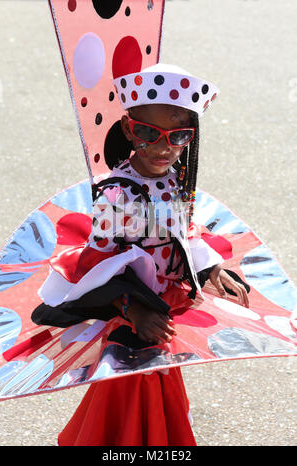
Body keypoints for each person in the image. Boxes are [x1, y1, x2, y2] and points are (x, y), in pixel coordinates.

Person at [32, 63, 249, 446]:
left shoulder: (175, 178)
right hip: (130, 306)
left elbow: (182, 232)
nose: (166, 148)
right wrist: (134, 309)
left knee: (159, 378)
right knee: (132, 382)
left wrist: (210, 266)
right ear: (130, 130)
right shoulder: (120, 196)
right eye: (151, 133)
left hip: (163, 303)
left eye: (179, 135)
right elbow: (95, 266)